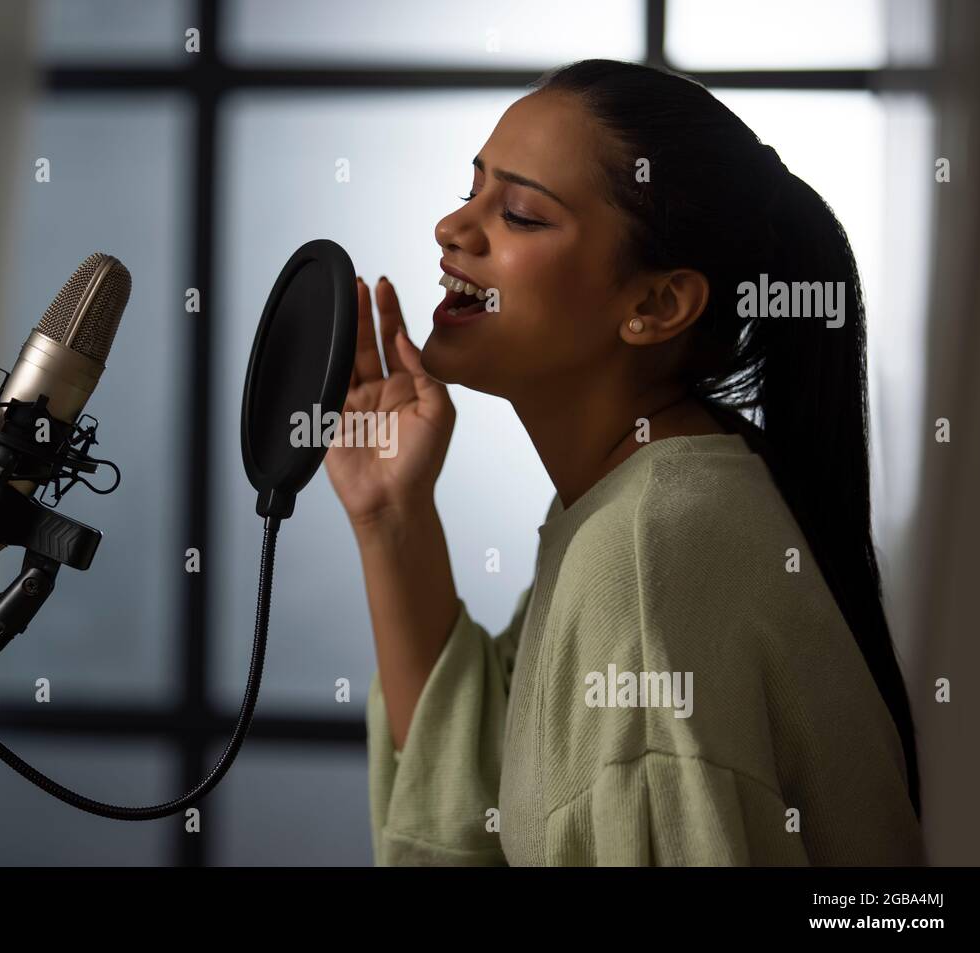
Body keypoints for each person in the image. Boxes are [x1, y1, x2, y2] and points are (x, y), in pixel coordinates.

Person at [325, 59, 924, 866]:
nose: (453, 229)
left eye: (522, 215)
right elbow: (488, 809)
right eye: (471, 189)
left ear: (655, 305)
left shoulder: (646, 555)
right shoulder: (646, 506)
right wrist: (390, 517)